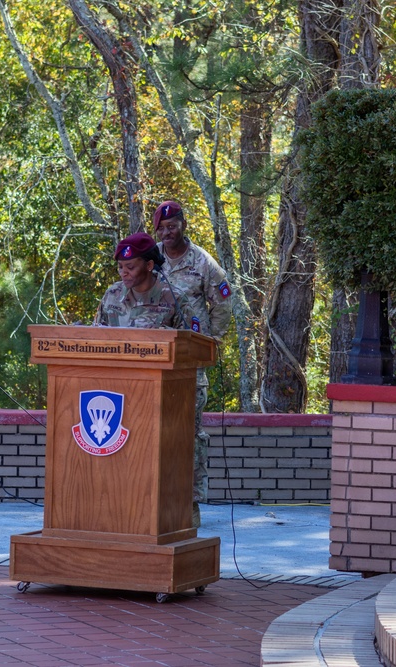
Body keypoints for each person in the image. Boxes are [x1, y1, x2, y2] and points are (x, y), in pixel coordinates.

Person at [152, 200, 233, 528]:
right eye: (162, 228)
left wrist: (212, 340)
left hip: (191, 360)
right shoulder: (152, 258)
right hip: (156, 358)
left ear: (184, 224)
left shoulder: (201, 261)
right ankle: (156, 501)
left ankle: (191, 503)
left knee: (191, 431)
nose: (168, 233)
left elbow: (224, 299)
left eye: (173, 226)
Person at [94, 232, 182, 329]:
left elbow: (191, 342)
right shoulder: (112, 294)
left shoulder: (175, 299)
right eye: (120, 267)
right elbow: (96, 334)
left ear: (149, 265)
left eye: (130, 267)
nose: (123, 273)